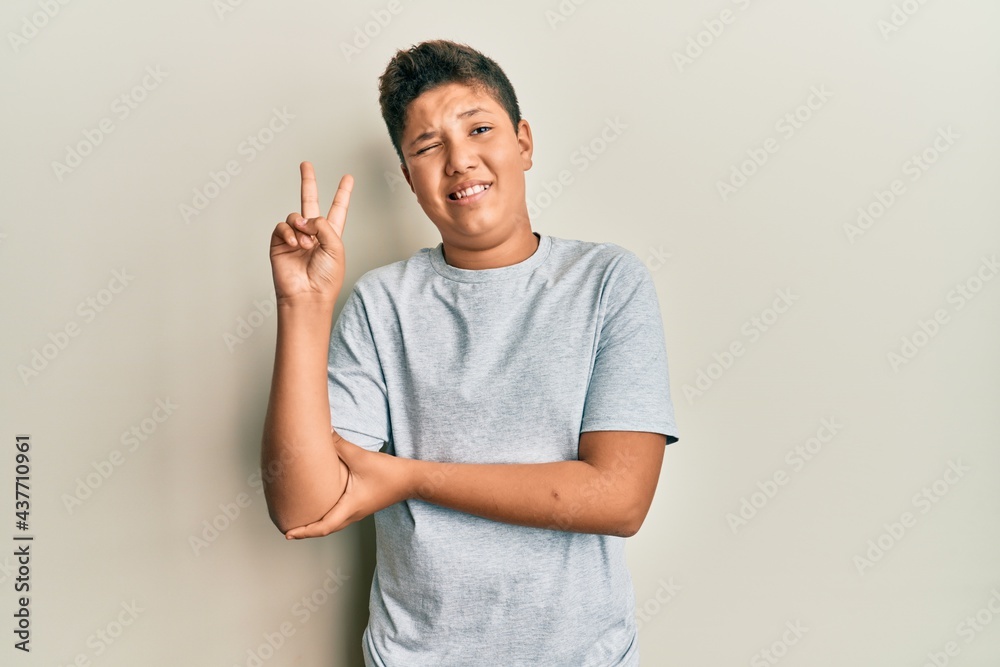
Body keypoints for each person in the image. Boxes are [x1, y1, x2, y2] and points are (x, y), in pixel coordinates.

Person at [260, 39, 680, 667]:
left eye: (479, 128)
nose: (459, 160)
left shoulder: (607, 282)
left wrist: (409, 476)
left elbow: (618, 498)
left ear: (524, 142)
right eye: (428, 147)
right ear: (408, 178)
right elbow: (303, 505)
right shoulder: (382, 304)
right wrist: (304, 307)